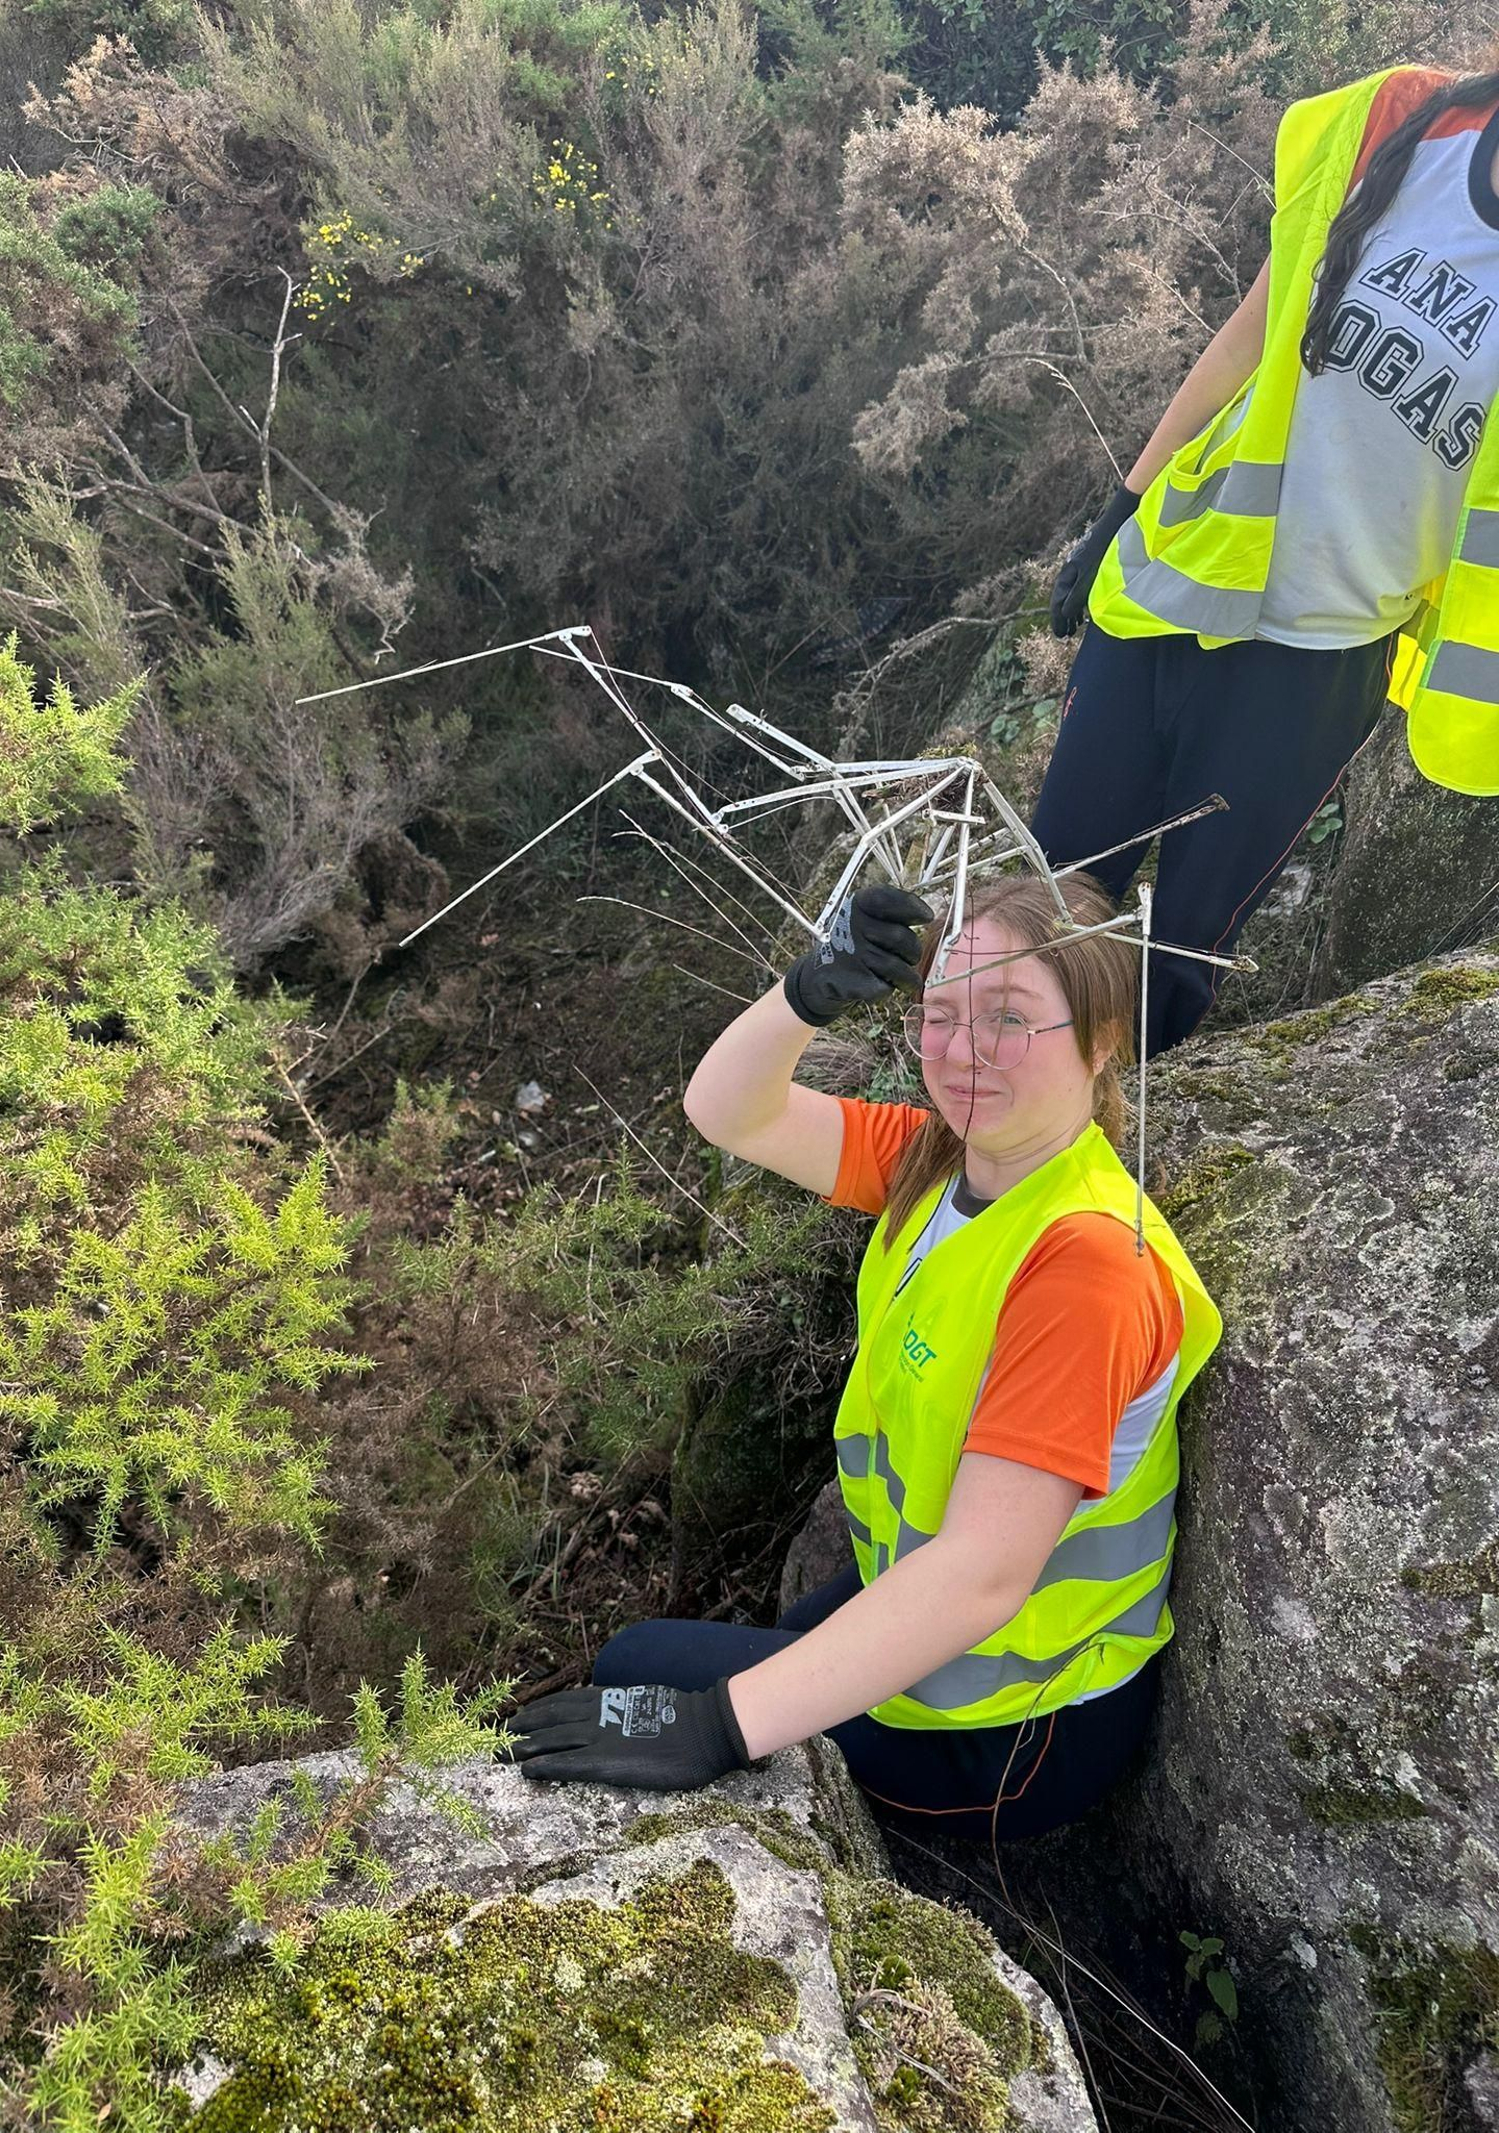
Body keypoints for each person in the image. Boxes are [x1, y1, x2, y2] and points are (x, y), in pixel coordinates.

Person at [504, 877, 1222, 1841]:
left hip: (1017, 1720)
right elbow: (730, 1113)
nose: (963, 1053)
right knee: (718, 1653)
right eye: (940, 1012)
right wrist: (806, 991)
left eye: (1009, 1017)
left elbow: (981, 1574)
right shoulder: (941, 1159)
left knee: (642, 1666)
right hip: (932, 1612)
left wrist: (717, 1728)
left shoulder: (1086, 1264)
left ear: (1099, 1043)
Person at [1034, 55, 1499, 1056]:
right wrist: (1119, 506)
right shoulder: (1402, 123)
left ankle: (1093, 1154)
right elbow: (1250, 332)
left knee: (1180, 950)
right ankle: (979, 1140)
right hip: (1178, 578)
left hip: (1319, 657)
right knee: (1054, 900)